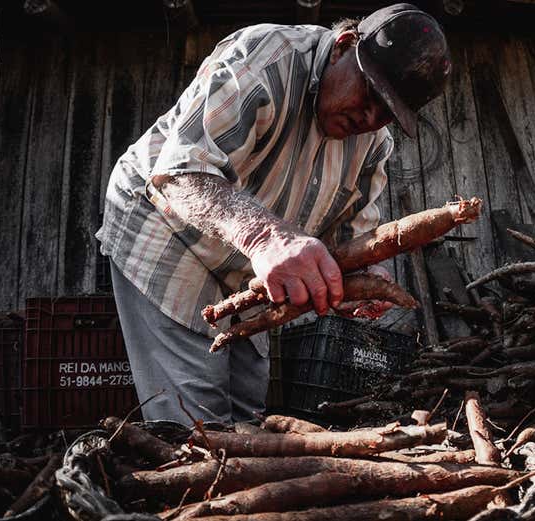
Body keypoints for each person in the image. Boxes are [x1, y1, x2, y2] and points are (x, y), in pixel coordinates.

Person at [95, 3, 451, 424]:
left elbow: (349, 242)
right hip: (167, 227)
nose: (370, 117)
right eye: (370, 94)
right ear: (341, 47)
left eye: (387, 113)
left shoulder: (373, 146)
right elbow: (182, 172)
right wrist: (267, 239)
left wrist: (361, 284)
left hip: (245, 266)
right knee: (197, 423)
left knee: (249, 414)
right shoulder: (267, 58)